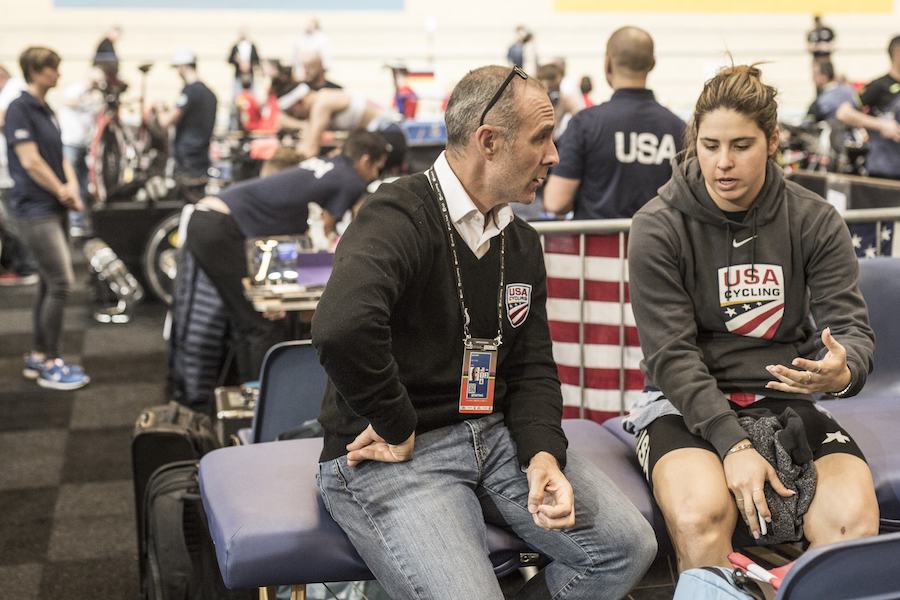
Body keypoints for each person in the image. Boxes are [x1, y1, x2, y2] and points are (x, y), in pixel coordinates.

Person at [311, 64, 657, 600]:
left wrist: (543, 454)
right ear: (488, 141)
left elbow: (532, 367)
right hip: (391, 452)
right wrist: (398, 423)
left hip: (494, 438)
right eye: (542, 138)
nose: (554, 156)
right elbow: (341, 327)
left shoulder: (519, 242)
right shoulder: (396, 213)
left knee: (626, 547)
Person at [626, 64, 879, 573]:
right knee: (702, 516)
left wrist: (845, 368)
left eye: (741, 145)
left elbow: (851, 330)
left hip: (784, 398)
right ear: (694, 142)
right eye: (710, 145)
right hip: (683, 406)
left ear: (772, 142)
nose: (723, 163)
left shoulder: (813, 219)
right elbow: (671, 356)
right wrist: (733, 443)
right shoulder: (657, 226)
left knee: (851, 523)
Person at [184, 129, 388, 383]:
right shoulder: (351, 179)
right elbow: (325, 233)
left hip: (207, 219)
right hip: (220, 227)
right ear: (366, 160)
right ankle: (261, 404)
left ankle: (251, 396)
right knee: (261, 324)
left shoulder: (328, 164)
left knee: (246, 321)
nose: (375, 176)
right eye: (377, 168)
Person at [5, 46, 90, 390]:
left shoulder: (45, 109)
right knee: (61, 282)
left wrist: (71, 188)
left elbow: (58, 155)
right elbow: (30, 161)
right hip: (33, 208)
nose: (58, 74)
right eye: (53, 68)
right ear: (36, 71)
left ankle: (39, 354)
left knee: (47, 279)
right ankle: (51, 362)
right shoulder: (19, 109)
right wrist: (61, 190)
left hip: (52, 205)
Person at [543, 26, 685, 219]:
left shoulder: (585, 124)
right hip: (660, 246)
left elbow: (556, 201)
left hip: (595, 247)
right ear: (652, 63)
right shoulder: (680, 129)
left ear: (607, 64)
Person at [287, 87, 407, 172]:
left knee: (342, 168)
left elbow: (310, 148)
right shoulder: (324, 96)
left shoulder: (322, 104)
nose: (296, 116)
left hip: (388, 135)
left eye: (293, 112)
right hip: (384, 133)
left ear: (300, 102)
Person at [836, 35, 900, 179]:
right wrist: (881, 125)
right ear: (897, 54)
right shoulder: (879, 86)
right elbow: (843, 113)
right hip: (885, 172)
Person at [157, 49, 218, 182]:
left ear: (184, 67)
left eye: (178, 68)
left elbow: (165, 121)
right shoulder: (210, 94)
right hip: (202, 155)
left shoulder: (189, 92)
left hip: (186, 157)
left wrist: (160, 109)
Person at [227, 27, 260, 100]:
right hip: (239, 76)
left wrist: (249, 64)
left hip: (250, 76)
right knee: (237, 96)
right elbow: (229, 60)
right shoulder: (235, 47)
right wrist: (237, 61)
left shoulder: (252, 46)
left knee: (252, 95)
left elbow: (257, 60)